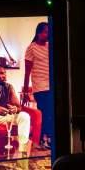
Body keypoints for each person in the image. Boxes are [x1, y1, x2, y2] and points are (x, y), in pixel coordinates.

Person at [22, 22, 52, 150]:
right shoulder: (31, 48)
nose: (47, 34)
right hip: (40, 87)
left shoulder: (50, 46)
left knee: (51, 113)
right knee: (44, 113)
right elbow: (27, 72)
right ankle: (43, 139)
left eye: (49, 32)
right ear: (39, 33)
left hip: (51, 85)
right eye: (45, 32)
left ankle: (48, 138)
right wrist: (25, 92)